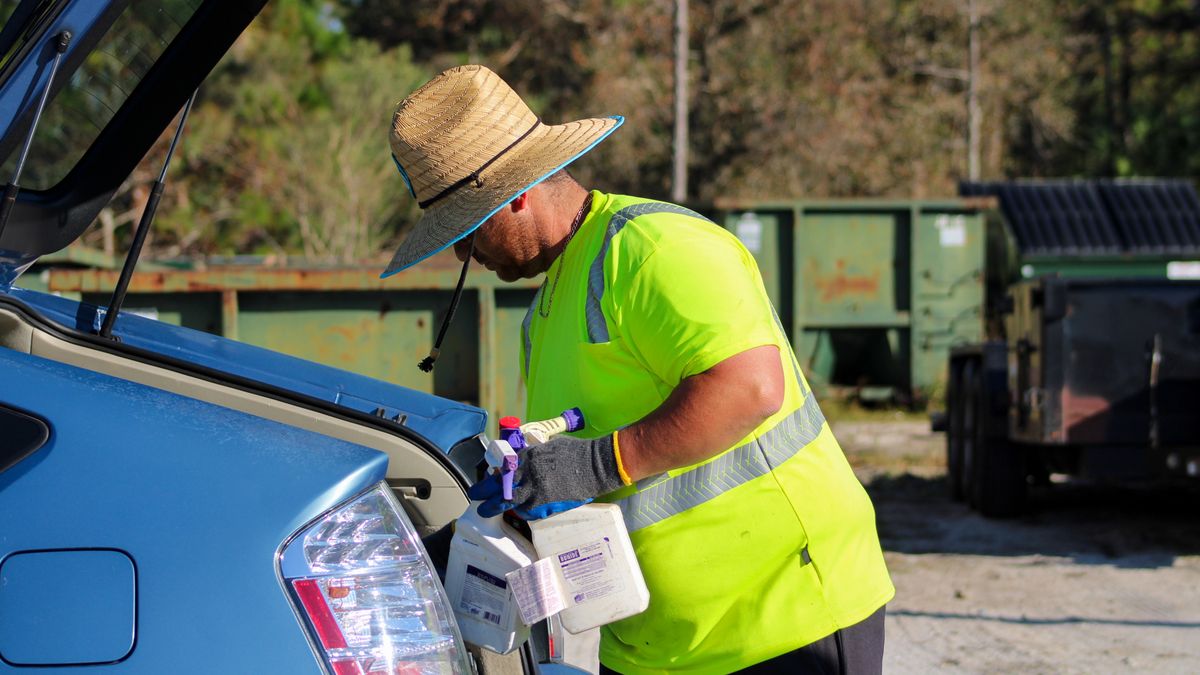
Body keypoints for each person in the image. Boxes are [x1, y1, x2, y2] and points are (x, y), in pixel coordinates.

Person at [384, 64, 894, 674]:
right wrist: (507, 514)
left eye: (467, 229)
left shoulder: (653, 250)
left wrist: (595, 464)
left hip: (780, 621)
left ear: (514, 193)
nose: (465, 252)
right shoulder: (545, 314)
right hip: (658, 646)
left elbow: (750, 388)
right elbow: (590, 472)